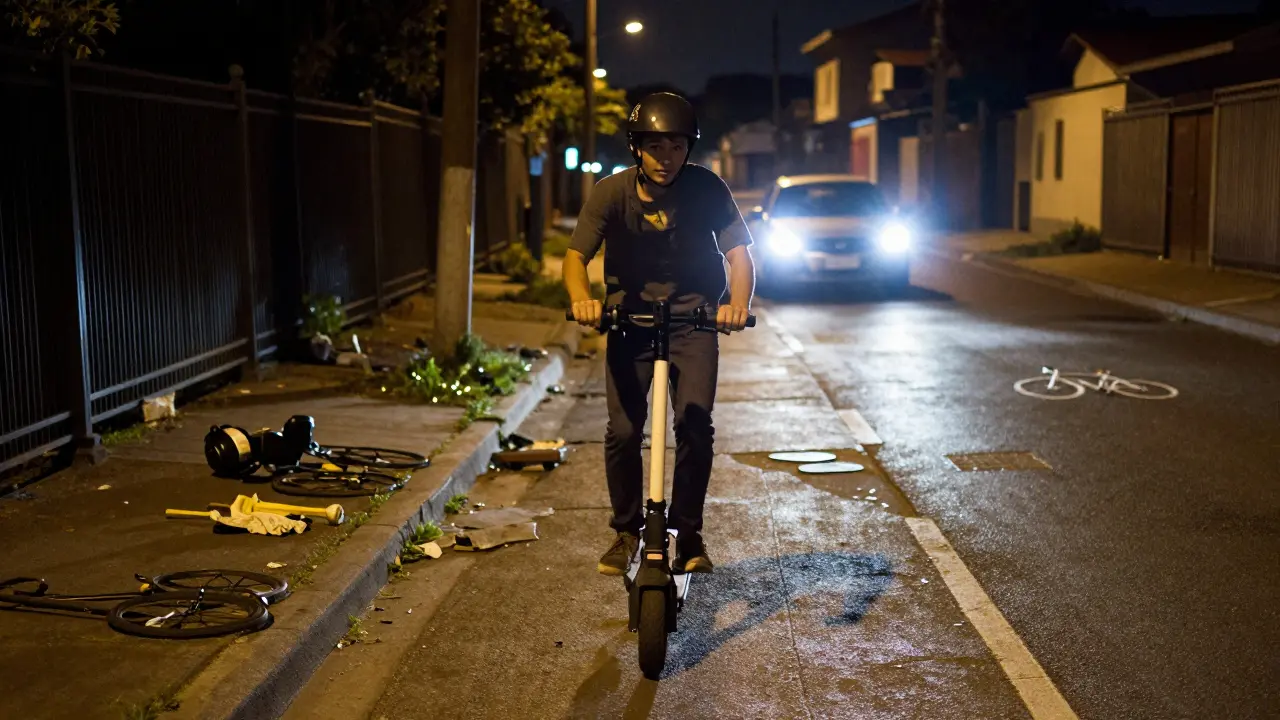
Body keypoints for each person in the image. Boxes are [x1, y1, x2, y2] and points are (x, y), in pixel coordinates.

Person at [561, 92, 756, 576]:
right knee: (623, 431)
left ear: (688, 148)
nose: (664, 157)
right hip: (630, 323)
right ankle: (627, 531)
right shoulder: (611, 193)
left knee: (694, 424)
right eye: (653, 147)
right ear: (636, 149)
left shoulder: (708, 188)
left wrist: (736, 305)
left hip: (693, 324)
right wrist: (582, 300)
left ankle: (688, 532)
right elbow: (575, 258)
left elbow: (738, 255)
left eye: (674, 146)